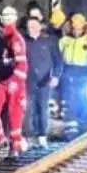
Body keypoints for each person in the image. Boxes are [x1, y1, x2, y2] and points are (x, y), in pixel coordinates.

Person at [0, 6, 29, 157]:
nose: (7, 22)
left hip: (14, 83)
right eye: (5, 19)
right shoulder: (0, 39)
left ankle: (15, 144)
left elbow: (22, 64)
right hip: (2, 81)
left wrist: (15, 81)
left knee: (14, 114)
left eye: (9, 19)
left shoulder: (17, 40)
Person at [22, 11, 63, 147]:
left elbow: (58, 61)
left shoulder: (49, 41)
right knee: (28, 109)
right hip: (27, 80)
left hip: (45, 80)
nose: (31, 29)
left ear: (40, 27)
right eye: (28, 27)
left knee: (43, 108)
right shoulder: (23, 42)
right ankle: (27, 135)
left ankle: (42, 135)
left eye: (34, 26)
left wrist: (56, 76)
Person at [58, 13, 87, 136]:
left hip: (85, 71)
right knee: (70, 98)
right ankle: (71, 125)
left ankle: (86, 121)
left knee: (85, 97)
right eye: (74, 27)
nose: (76, 30)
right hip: (69, 70)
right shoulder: (64, 40)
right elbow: (58, 57)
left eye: (79, 27)